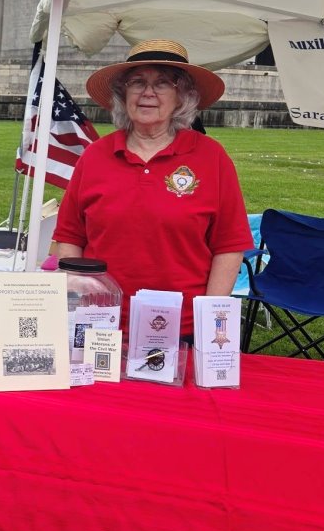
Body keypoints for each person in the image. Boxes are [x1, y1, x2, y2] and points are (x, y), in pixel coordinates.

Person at [53, 39, 254, 338]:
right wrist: (79, 304)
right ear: (123, 93)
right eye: (137, 82)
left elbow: (229, 246)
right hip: (102, 325)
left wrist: (207, 320)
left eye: (162, 83)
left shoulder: (211, 157)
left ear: (182, 96)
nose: (148, 92)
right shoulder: (95, 156)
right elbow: (70, 238)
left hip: (182, 327)